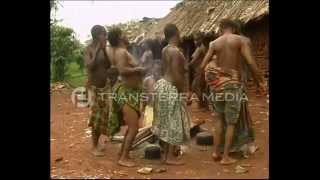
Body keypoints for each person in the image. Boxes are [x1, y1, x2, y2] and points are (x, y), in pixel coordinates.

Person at [200, 19, 267, 165]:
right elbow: (250, 62)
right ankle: (225, 157)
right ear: (234, 28)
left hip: (216, 87)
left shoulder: (213, 43)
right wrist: (260, 81)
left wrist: (220, 71)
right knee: (231, 122)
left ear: (221, 28)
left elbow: (203, 65)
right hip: (232, 86)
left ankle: (216, 152)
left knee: (218, 120)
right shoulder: (240, 40)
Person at [106, 27, 147, 167]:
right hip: (126, 92)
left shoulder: (121, 51)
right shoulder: (121, 52)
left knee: (132, 126)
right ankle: (123, 158)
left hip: (130, 92)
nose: (126, 35)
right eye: (123, 34)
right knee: (134, 127)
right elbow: (122, 70)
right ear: (119, 38)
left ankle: (123, 153)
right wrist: (138, 69)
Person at [152, 24, 191, 165]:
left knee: (165, 121)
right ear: (177, 33)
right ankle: (169, 157)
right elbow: (176, 74)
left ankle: (166, 152)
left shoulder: (165, 50)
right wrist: (184, 92)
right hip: (170, 87)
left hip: (162, 85)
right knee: (172, 123)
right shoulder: (175, 52)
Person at [84, 25, 111, 157]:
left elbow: (107, 65)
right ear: (97, 35)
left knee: (102, 117)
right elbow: (90, 65)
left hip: (104, 87)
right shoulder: (89, 49)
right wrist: (96, 52)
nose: (105, 36)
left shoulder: (103, 49)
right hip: (93, 88)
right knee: (95, 117)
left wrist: (104, 50)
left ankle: (98, 143)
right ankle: (94, 146)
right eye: (104, 34)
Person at [188, 31, 209, 110]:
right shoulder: (198, 48)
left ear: (201, 39)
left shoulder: (201, 48)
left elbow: (193, 61)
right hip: (198, 71)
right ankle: (203, 104)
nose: (195, 41)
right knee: (200, 88)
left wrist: (186, 66)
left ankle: (203, 104)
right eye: (194, 40)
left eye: (197, 40)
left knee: (196, 87)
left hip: (201, 71)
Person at [141, 63, 162, 128]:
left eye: (159, 70)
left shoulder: (163, 81)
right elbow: (143, 95)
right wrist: (142, 109)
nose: (157, 72)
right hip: (150, 108)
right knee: (148, 129)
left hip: (160, 109)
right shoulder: (147, 80)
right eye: (155, 69)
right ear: (152, 70)